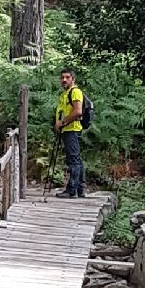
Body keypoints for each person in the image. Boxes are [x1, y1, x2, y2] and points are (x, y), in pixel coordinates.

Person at [54, 69, 86, 198]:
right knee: (76, 158)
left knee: (73, 160)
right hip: (68, 130)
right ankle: (80, 188)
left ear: (73, 79)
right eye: (62, 77)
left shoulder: (75, 92)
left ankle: (72, 190)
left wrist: (63, 122)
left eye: (67, 77)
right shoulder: (66, 93)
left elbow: (78, 111)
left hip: (72, 129)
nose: (64, 80)